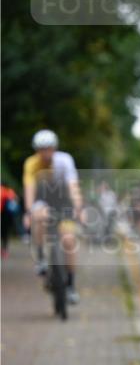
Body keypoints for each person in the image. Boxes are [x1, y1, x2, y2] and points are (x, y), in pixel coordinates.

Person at [22, 129, 83, 304]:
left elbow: (73, 186)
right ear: (36, 150)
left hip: (62, 201)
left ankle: (70, 285)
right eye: (42, 149)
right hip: (42, 200)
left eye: (49, 148)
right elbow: (29, 189)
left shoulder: (65, 161)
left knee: (69, 241)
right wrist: (28, 211)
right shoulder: (31, 164)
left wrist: (78, 207)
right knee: (38, 216)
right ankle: (41, 258)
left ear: (55, 148)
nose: (46, 153)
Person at [1, 183, 19, 259]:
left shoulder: (5, 191)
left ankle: (4, 250)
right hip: (7, 216)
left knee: (3, 234)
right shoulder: (8, 191)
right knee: (5, 234)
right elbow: (15, 199)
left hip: (4, 215)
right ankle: (4, 250)